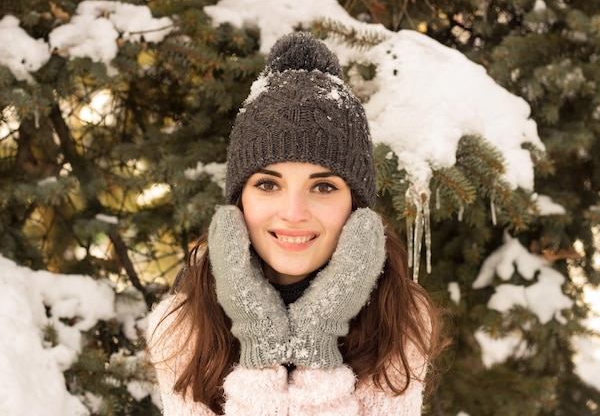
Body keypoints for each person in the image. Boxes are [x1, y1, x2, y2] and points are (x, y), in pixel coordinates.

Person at [147, 31, 446, 416]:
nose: (293, 211)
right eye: (268, 184)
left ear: (357, 208)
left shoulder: (400, 317)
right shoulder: (182, 326)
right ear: (239, 202)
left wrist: (320, 335)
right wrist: (260, 340)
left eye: (322, 186)